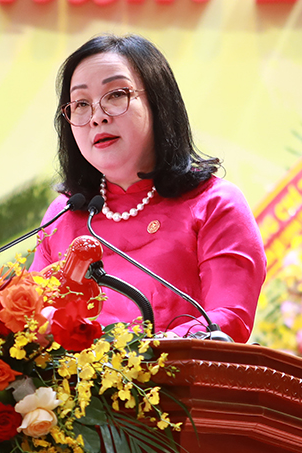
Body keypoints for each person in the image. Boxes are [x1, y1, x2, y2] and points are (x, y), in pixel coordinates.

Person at [30, 34, 266, 343]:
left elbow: (227, 318)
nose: (97, 117)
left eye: (116, 95)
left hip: (177, 372)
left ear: (158, 102)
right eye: (81, 104)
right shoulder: (64, 215)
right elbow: (32, 322)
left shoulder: (214, 203)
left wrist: (140, 355)